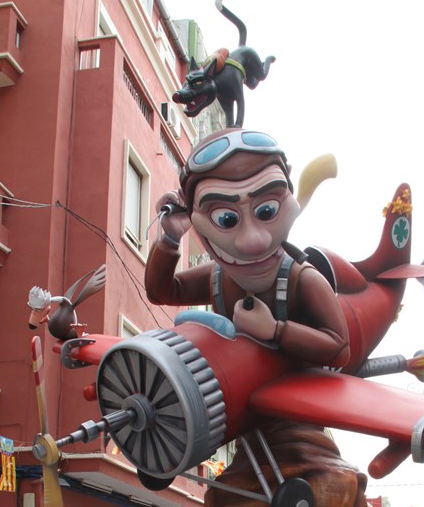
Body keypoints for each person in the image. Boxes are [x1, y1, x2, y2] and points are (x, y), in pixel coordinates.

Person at [145, 128, 351, 369]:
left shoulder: (302, 279)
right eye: (226, 219)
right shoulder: (217, 277)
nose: (253, 241)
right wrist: (170, 237)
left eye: (267, 210)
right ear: (191, 212)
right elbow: (162, 293)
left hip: (299, 387)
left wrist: (275, 330)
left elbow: (340, 348)